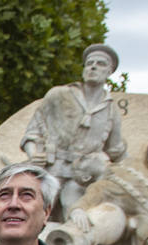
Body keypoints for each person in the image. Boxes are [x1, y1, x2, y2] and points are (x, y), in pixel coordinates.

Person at [21, 43, 127, 218]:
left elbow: (115, 150)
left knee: (77, 217)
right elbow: (33, 131)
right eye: (89, 63)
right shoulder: (58, 95)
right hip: (52, 169)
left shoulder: (111, 110)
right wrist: (33, 153)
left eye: (100, 64)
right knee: (35, 215)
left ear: (109, 72)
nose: (93, 67)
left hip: (83, 178)